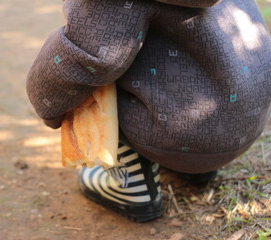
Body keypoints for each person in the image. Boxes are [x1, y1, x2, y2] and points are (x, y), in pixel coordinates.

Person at [26, 0, 271, 222]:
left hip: (186, 132)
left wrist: (46, 102)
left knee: (87, 85)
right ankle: (197, 167)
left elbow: (91, 57)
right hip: (245, 121)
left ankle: (130, 185)